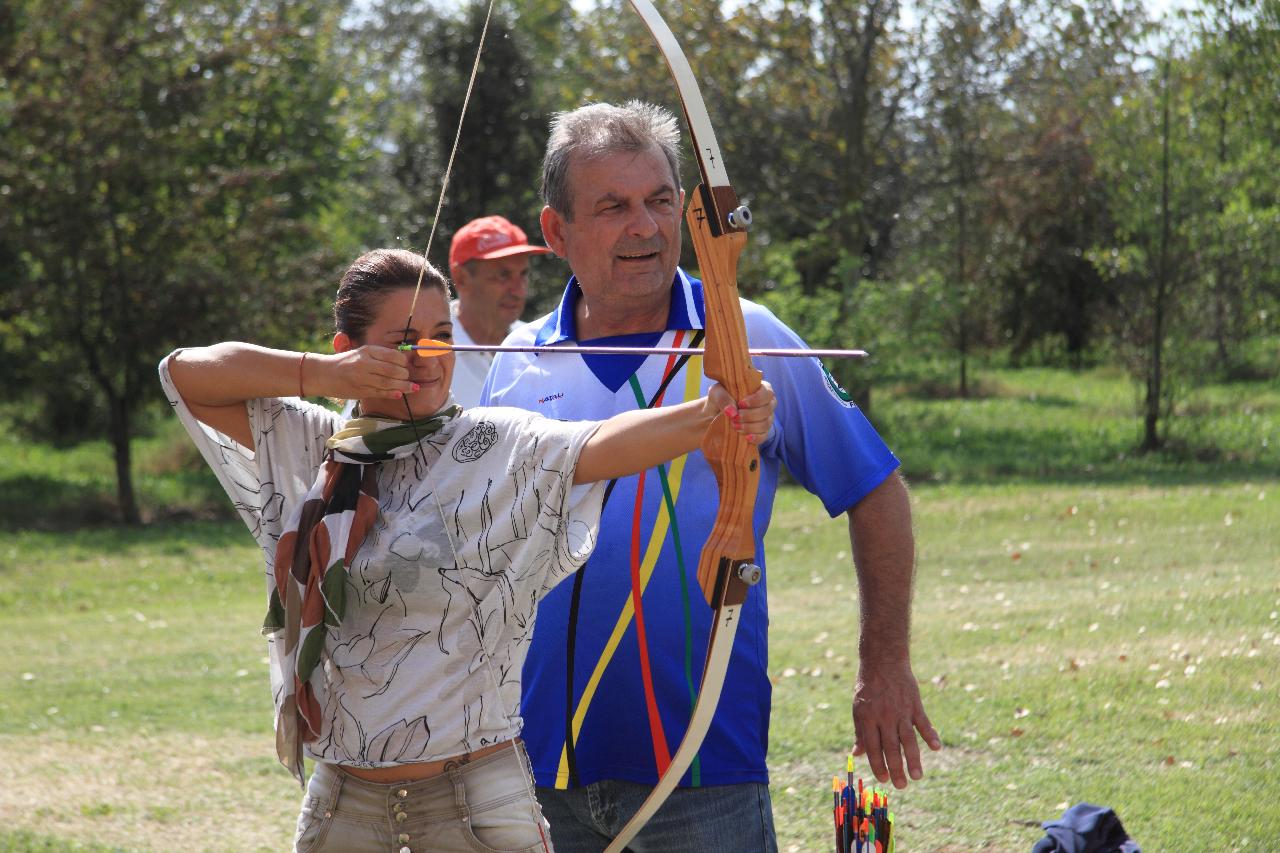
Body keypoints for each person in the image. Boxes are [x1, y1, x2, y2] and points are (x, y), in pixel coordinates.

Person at [158, 247, 775, 853]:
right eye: (405, 340)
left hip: (475, 804)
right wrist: (322, 376)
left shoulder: (494, 444)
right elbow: (185, 373)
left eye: (440, 335)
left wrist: (712, 412)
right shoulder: (314, 445)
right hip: (342, 803)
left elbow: (601, 444)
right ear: (351, 350)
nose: (429, 356)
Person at [480, 101, 941, 852]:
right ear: (557, 231)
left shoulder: (745, 335)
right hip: (530, 775)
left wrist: (883, 664)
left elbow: (874, 486)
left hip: (702, 772)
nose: (647, 227)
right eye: (614, 206)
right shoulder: (514, 359)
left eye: (662, 200)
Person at [447, 215, 552, 406]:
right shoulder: (427, 349)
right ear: (461, 278)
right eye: (503, 276)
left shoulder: (540, 344)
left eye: (523, 274)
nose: (518, 290)